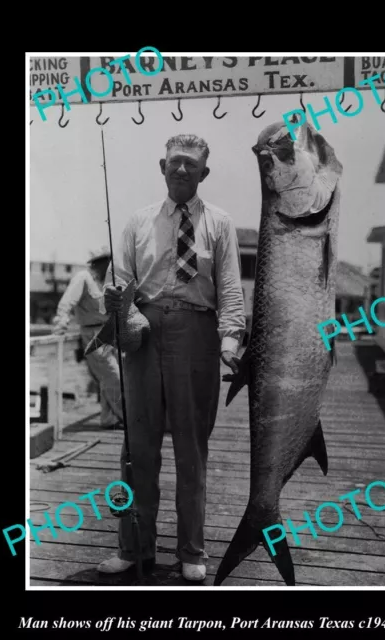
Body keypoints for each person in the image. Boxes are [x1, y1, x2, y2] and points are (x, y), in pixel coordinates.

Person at [97, 134, 246, 582]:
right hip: (143, 334)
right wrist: (120, 308)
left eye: (192, 164)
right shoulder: (137, 222)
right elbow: (118, 279)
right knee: (135, 450)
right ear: (162, 166)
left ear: (205, 172)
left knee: (191, 451)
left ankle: (192, 551)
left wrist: (230, 342)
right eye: (175, 162)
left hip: (198, 333)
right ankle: (132, 547)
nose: (182, 169)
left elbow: (232, 290)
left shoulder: (220, 223)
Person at [51, 248, 124, 429]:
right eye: (107, 261)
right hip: (92, 335)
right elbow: (67, 302)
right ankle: (130, 420)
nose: (111, 265)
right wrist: (61, 324)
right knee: (113, 376)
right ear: (98, 262)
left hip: (109, 333)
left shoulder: (106, 282)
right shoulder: (83, 278)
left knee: (112, 377)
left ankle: (109, 420)